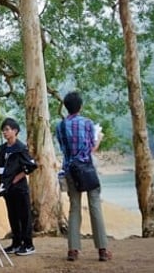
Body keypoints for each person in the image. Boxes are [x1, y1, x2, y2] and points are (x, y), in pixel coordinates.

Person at [57, 91, 112, 262]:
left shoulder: (60, 126)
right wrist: (99, 139)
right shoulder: (87, 123)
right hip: (86, 169)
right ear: (80, 106)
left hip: (70, 170)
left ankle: (73, 250)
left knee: (74, 207)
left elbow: (64, 149)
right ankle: (102, 250)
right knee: (95, 205)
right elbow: (91, 149)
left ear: (66, 107)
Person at [0, 117, 37, 256]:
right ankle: (16, 242)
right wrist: (1, 181)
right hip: (7, 188)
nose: (5, 132)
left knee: (24, 216)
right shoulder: (2, 149)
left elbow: (31, 166)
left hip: (20, 188)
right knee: (12, 216)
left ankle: (28, 244)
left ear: (15, 131)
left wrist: (17, 178)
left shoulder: (21, 148)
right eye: (3, 130)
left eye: (7, 129)